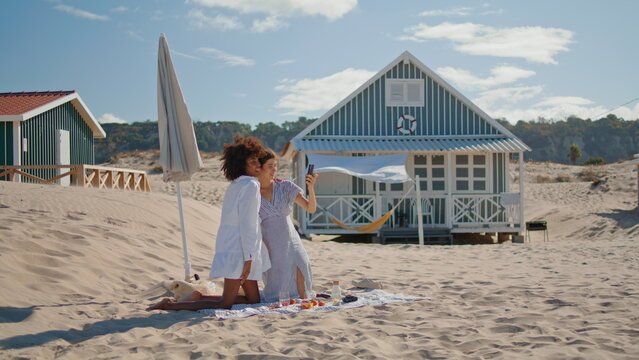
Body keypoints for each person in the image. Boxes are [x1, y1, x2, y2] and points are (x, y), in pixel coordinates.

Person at [147, 136, 271, 311]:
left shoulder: (236, 184)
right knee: (225, 303)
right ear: (241, 164)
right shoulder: (250, 185)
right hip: (240, 249)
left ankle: (198, 297)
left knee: (254, 300)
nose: (258, 165)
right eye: (252, 161)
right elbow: (248, 224)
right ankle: (171, 305)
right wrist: (249, 258)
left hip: (233, 244)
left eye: (258, 161)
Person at [257, 149, 318, 301]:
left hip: (291, 239)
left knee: (301, 270)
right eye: (270, 166)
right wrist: (261, 243)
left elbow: (311, 208)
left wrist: (311, 188)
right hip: (270, 242)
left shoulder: (285, 187)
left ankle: (303, 302)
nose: (274, 169)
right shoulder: (253, 192)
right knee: (277, 286)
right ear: (259, 168)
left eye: (276, 165)